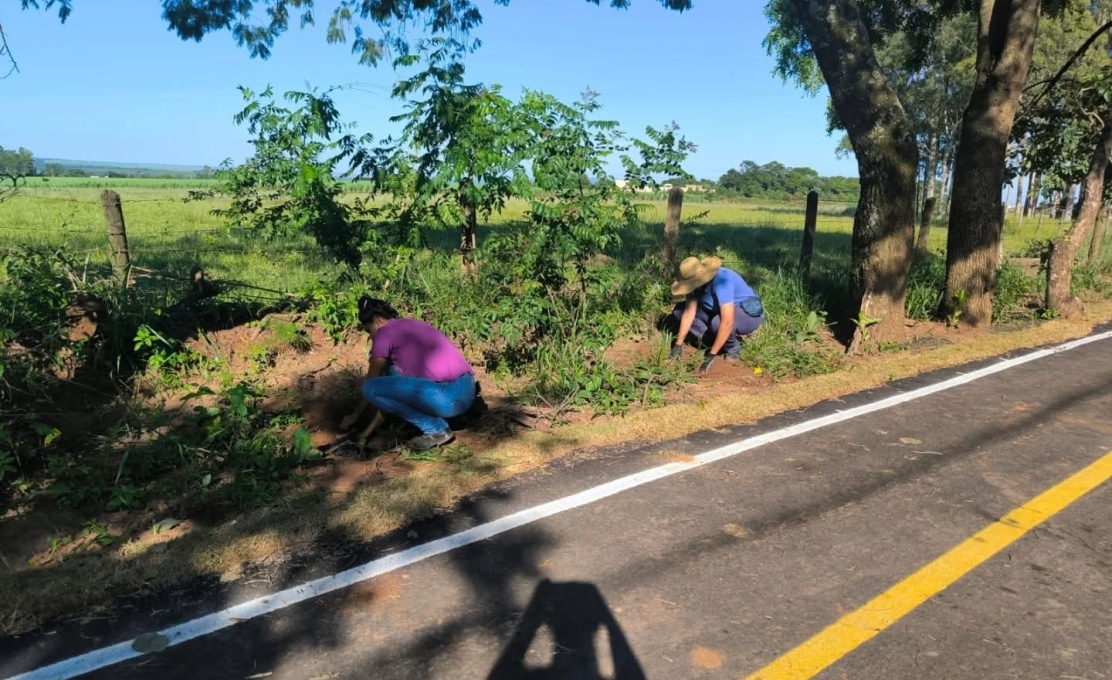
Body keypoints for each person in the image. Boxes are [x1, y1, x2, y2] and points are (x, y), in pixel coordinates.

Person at [340, 297, 476, 450]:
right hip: (467, 392)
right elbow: (390, 400)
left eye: (368, 330)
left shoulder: (384, 334)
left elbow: (372, 386)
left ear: (376, 321)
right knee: (384, 383)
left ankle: (436, 429)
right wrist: (364, 436)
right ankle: (444, 424)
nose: (370, 337)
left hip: (446, 398)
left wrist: (354, 416)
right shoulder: (412, 325)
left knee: (370, 387)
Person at [668, 256, 764, 373]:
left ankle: (733, 347)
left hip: (746, 314)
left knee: (717, 323)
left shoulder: (722, 281)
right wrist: (678, 344)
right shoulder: (693, 287)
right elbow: (689, 314)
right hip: (716, 311)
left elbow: (727, 322)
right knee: (679, 311)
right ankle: (714, 339)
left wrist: (711, 356)